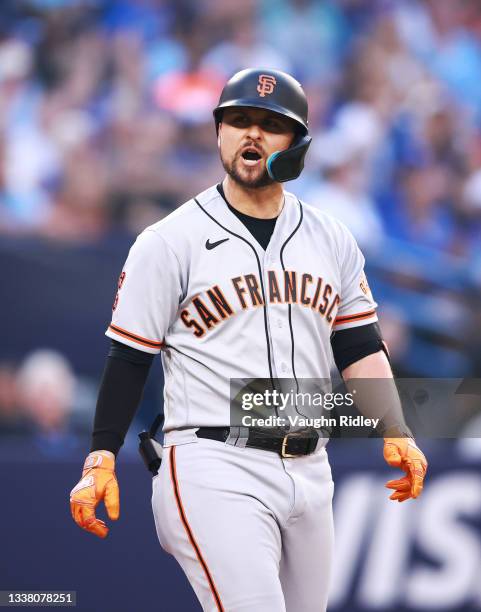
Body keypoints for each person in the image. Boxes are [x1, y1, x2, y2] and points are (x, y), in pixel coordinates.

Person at [69, 68, 428, 612]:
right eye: (238, 120)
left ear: (299, 145)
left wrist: (395, 428)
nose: (251, 134)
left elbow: (357, 345)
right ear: (218, 133)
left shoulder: (331, 237)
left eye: (270, 124)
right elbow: (129, 356)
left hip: (311, 468)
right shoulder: (170, 241)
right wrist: (101, 454)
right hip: (214, 462)